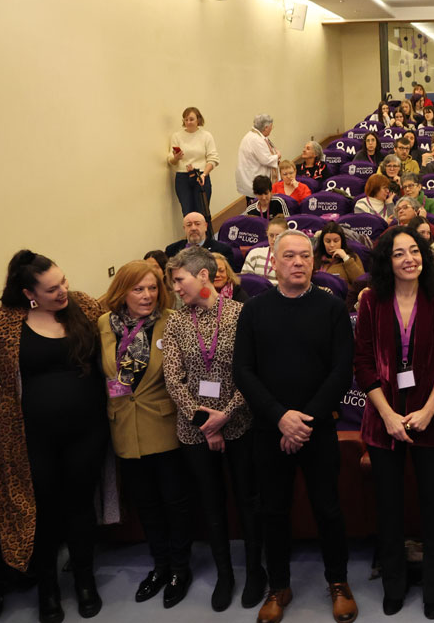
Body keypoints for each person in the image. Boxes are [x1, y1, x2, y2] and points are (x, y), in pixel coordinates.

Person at [232, 230, 357, 623]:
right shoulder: (254, 310)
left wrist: (304, 420)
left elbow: (341, 371)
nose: (298, 262)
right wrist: (280, 417)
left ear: (314, 261)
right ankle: (279, 585)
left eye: (305, 256)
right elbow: (243, 370)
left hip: (318, 429)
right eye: (290, 256)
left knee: (328, 509)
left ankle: (337, 581)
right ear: (274, 259)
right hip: (270, 429)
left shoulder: (332, 307)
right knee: (274, 511)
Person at [0, 251, 107, 622]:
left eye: (64, 281)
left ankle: (85, 582)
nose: (63, 291)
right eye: (52, 289)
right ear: (28, 292)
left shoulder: (82, 305)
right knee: (44, 511)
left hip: (87, 430)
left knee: (81, 506)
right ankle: (48, 590)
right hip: (28, 437)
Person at [354, 228, 434, 620]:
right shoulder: (371, 303)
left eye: (415, 251)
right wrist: (387, 414)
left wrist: (430, 410)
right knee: (389, 509)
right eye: (399, 254)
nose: (409, 259)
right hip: (384, 420)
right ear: (387, 261)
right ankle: (393, 584)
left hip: (430, 416)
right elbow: (363, 364)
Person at [161, 247, 267, 612]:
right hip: (194, 431)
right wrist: (204, 422)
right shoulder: (175, 321)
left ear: (202, 276)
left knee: (248, 500)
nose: (175, 288)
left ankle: (255, 571)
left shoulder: (241, 314)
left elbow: (252, 371)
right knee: (210, 503)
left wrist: (226, 413)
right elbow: (173, 379)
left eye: (179, 279)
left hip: (239, 422)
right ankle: (225, 574)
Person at [168, 106, 219, 221]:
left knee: (202, 212)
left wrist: (204, 174)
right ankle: (191, 238)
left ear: (198, 120)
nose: (188, 122)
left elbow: (213, 159)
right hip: (183, 177)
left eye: (191, 119)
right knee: (187, 213)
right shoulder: (177, 136)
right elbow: (170, 159)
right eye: (186, 120)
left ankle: (206, 238)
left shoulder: (206, 136)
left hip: (200, 176)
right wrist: (176, 158)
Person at [236, 114, 280, 198]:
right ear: (266, 127)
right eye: (271, 126)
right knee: (256, 207)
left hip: (254, 177)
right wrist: (278, 156)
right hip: (255, 180)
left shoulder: (255, 136)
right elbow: (266, 160)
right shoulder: (256, 139)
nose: (272, 128)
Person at [165, 211, 235, 262]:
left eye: (197, 224)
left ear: (205, 226)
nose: (193, 228)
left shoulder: (223, 250)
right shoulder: (171, 250)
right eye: (189, 225)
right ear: (184, 229)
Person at [243, 216, 286, 285]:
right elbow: (246, 281)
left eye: (278, 236)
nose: (274, 239)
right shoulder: (255, 253)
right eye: (271, 235)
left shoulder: (291, 257)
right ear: (267, 235)